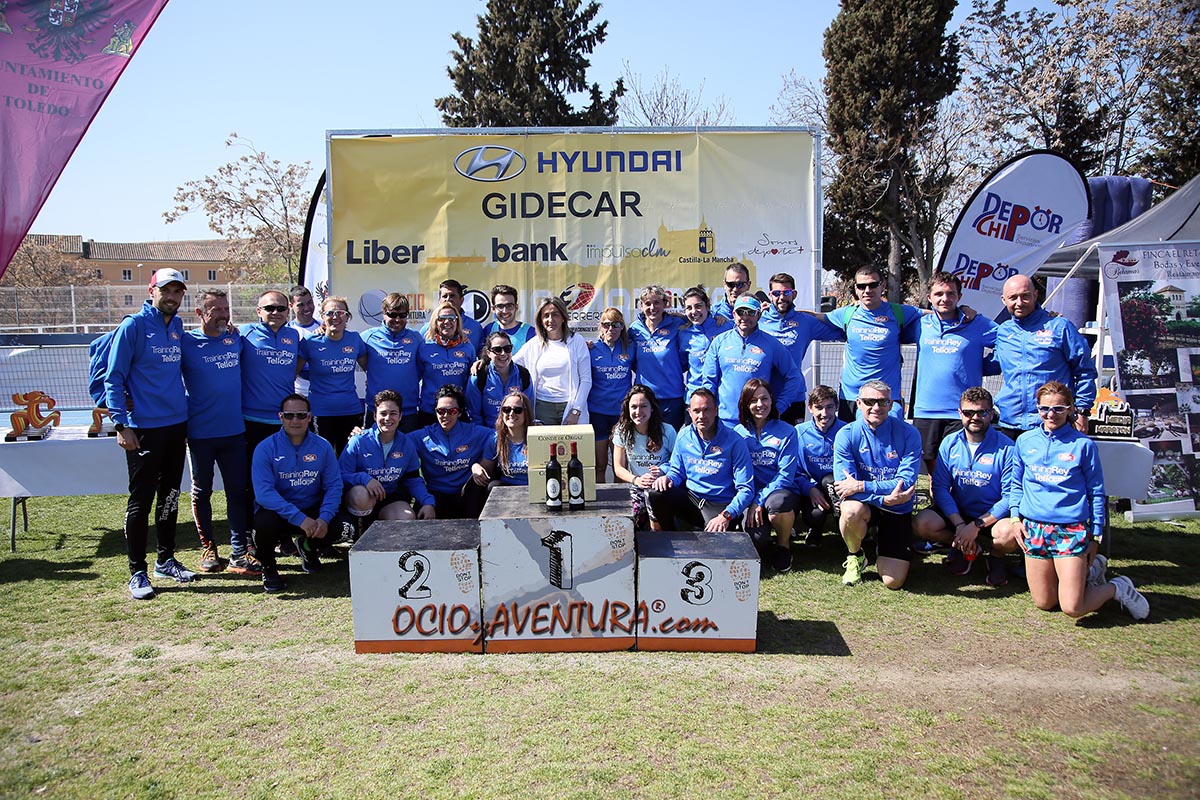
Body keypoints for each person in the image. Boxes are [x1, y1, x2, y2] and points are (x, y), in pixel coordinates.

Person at [1010, 381, 1148, 620]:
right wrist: (1014, 518)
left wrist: (1095, 536)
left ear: (1070, 409)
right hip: (1034, 529)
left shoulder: (1083, 445)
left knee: (1073, 608)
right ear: (1037, 408)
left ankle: (1117, 587)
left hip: (1070, 530)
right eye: (1044, 409)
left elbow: (1096, 492)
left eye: (1058, 409)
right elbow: (1015, 484)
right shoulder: (1024, 441)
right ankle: (1091, 573)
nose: (1050, 414)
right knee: (1045, 602)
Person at [105, 267, 195, 599]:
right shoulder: (134, 326)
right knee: (141, 501)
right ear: (151, 290)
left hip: (175, 426)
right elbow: (113, 378)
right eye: (166, 290)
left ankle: (166, 559)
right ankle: (137, 571)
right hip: (142, 429)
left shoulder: (178, 326)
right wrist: (120, 423)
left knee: (170, 496)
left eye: (177, 292)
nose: (171, 297)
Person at [181, 289, 256, 576]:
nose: (224, 315)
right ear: (200, 313)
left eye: (226, 309)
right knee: (202, 492)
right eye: (216, 310)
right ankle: (208, 547)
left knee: (238, 491)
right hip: (200, 433)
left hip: (234, 431)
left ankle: (239, 552)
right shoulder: (187, 343)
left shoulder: (234, 338)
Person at [913, 387, 1020, 586]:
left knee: (1009, 534)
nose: (975, 417)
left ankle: (995, 557)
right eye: (969, 413)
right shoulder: (949, 443)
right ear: (960, 413)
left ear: (991, 414)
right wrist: (961, 525)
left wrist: (977, 525)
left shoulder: (1008, 448)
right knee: (922, 523)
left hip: (992, 517)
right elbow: (940, 487)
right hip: (959, 514)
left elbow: (1010, 497)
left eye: (982, 412)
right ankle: (965, 546)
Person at [832, 380, 922, 589]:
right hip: (869, 505)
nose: (876, 408)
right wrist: (882, 498)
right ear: (859, 403)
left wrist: (863, 487)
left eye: (882, 402)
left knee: (893, 582)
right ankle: (855, 555)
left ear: (891, 405)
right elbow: (845, 486)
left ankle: (888, 544)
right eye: (869, 401)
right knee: (850, 509)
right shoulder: (846, 434)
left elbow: (905, 482)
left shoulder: (909, 433)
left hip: (898, 507)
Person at [251, 394, 342, 591]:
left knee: (344, 526)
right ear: (280, 417)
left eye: (301, 415)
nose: (295, 420)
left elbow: (334, 486)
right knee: (263, 522)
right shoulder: (265, 448)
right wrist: (299, 519)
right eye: (289, 415)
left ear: (309, 417)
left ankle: (308, 547)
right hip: (282, 513)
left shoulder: (323, 446)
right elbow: (264, 494)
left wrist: (324, 519)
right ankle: (269, 568)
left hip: (313, 510)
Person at [912, 272, 1000, 475]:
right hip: (926, 410)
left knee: (959, 465)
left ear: (959, 297)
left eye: (951, 294)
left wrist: (985, 366)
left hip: (962, 411)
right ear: (929, 298)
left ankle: (960, 505)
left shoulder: (976, 324)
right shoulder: (919, 325)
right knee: (931, 468)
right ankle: (939, 506)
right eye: (939, 294)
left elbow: (1009, 341)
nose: (945, 299)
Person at [994, 274, 1098, 438]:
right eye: (1013, 297)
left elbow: (1085, 371)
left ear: (1035, 294)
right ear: (1003, 300)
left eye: (1025, 296)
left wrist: (1082, 410)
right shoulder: (1002, 331)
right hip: (1010, 422)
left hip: (1051, 421)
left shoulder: (1060, 326)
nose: (1019, 303)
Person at [817, 265, 923, 422]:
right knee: (853, 444)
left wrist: (962, 310)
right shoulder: (846, 313)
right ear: (856, 289)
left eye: (873, 285)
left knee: (888, 445)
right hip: (852, 397)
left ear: (883, 286)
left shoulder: (899, 312)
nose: (867, 290)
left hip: (886, 398)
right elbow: (817, 317)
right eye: (862, 286)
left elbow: (937, 314)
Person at [651, 388, 754, 532]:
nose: (701, 416)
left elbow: (746, 489)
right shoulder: (684, 435)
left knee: (711, 541)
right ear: (689, 412)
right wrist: (668, 478)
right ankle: (670, 536)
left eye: (707, 410)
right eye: (697, 411)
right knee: (657, 493)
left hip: (720, 504)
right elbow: (676, 470)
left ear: (716, 410)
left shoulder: (735, 441)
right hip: (692, 498)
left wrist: (726, 515)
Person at [702, 295, 803, 428]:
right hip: (725, 422)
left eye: (750, 312)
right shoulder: (719, 342)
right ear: (734, 314)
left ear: (759, 315)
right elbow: (709, 381)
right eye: (740, 312)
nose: (744, 317)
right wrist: (710, 411)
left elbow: (794, 377)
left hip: (757, 422)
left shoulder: (771, 344)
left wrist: (778, 408)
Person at [340, 390, 436, 529]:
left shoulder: (407, 444)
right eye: (383, 413)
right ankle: (360, 533)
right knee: (360, 495)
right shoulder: (358, 441)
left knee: (406, 517)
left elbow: (413, 479)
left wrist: (428, 502)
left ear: (400, 416)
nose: (387, 418)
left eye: (393, 413)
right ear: (374, 415)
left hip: (389, 498)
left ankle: (384, 540)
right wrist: (364, 479)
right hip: (361, 498)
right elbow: (341, 476)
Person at [733, 379, 801, 573]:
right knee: (757, 541)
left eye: (764, 398)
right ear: (745, 404)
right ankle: (764, 536)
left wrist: (759, 500)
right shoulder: (738, 433)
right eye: (753, 400)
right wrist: (751, 501)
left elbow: (785, 476)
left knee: (779, 503)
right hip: (750, 496)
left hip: (779, 493)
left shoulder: (788, 432)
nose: (760, 404)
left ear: (772, 400)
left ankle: (783, 546)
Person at [758, 272, 841, 423]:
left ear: (794, 294)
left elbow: (842, 332)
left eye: (786, 292)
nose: (781, 297)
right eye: (776, 293)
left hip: (793, 397)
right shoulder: (758, 320)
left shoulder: (806, 322)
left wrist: (854, 313)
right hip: (762, 397)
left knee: (792, 443)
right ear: (770, 295)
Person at [297, 296, 367, 456]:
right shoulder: (310, 341)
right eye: (330, 313)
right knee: (322, 458)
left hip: (350, 410)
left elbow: (371, 369)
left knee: (348, 458)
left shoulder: (355, 339)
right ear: (322, 316)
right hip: (320, 412)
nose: (335, 317)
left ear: (347, 317)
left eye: (340, 312)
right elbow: (292, 372)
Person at [413, 384, 494, 519]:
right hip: (436, 496)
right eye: (441, 411)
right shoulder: (422, 436)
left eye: (452, 411)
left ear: (460, 412)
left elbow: (501, 436)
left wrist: (478, 464)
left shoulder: (475, 432)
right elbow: (397, 441)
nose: (446, 415)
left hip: (466, 495)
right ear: (435, 411)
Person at [513, 296, 592, 426]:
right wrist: (483, 361)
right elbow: (509, 362)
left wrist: (576, 410)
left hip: (571, 407)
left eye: (555, 315)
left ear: (563, 317)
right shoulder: (533, 344)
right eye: (546, 316)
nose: (551, 320)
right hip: (542, 408)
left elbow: (586, 380)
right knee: (544, 446)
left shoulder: (577, 341)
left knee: (571, 446)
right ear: (541, 320)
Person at [612, 385, 677, 530]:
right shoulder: (622, 431)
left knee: (653, 499)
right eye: (634, 407)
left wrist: (662, 471)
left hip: (660, 486)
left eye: (643, 406)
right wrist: (637, 480)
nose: (638, 412)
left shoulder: (668, 431)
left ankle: (658, 542)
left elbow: (678, 464)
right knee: (633, 516)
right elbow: (618, 468)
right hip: (636, 485)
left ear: (652, 408)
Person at [629, 284, 688, 429]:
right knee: (647, 445)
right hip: (644, 399)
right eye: (647, 304)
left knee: (670, 445)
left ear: (665, 304)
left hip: (672, 398)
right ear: (641, 306)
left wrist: (718, 319)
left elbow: (700, 322)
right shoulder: (634, 329)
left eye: (657, 303)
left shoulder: (678, 324)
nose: (652, 307)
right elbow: (629, 359)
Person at [794, 385, 846, 548]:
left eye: (829, 407)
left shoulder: (847, 430)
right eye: (818, 408)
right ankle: (815, 529)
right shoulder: (798, 432)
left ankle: (845, 529)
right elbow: (794, 471)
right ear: (810, 408)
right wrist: (809, 489)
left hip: (839, 486)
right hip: (812, 489)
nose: (824, 414)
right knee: (814, 516)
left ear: (836, 407)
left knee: (829, 480)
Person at [588, 307, 636, 480]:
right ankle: (602, 503)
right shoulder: (591, 349)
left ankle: (622, 504)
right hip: (598, 413)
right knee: (600, 465)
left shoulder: (630, 347)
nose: (611, 329)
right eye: (606, 324)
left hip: (621, 414)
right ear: (600, 326)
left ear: (622, 327)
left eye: (616, 324)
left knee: (620, 466)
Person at [363, 292, 422, 433]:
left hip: (408, 412)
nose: (397, 319)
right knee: (375, 454)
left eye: (402, 315)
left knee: (408, 454)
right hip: (378, 412)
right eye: (392, 315)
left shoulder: (417, 338)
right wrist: (323, 330)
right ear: (383, 313)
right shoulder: (367, 337)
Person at [416, 301, 474, 427]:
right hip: (429, 411)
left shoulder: (467, 347)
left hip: (457, 412)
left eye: (452, 318)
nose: (447, 322)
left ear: (457, 321)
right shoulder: (424, 347)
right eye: (442, 318)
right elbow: (414, 377)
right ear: (435, 323)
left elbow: (472, 378)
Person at [466, 331, 531, 429]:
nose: (503, 353)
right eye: (497, 350)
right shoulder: (478, 377)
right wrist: (487, 437)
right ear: (488, 353)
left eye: (507, 349)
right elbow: (474, 416)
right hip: (488, 435)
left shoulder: (523, 375)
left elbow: (529, 411)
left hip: (516, 434)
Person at [472, 388, 534, 489]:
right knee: (492, 486)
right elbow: (486, 471)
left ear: (526, 414)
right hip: (506, 491)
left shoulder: (538, 438)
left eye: (517, 410)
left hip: (534, 488)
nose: (511, 414)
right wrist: (475, 467)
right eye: (506, 409)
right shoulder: (495, 440)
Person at [679, 285, 732, 398]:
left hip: (721, 398)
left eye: (698, 306)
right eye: (689, 308)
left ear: (707, 306)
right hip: (694, 399)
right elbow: (682, 365)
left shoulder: (726, 327)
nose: (694, 312)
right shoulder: (684, 334)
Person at [420, 279, 485, 355]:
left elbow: (481, 356)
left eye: (452, 296)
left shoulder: (475, 327)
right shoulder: (427, 329)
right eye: (444, 296)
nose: (448, 299)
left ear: (461, 300)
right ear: (439, 300)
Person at [481, 284, 536, 353]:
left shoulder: (531, 333)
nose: (505, 311)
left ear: (516, 307)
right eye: (500, 306)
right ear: (493, 309)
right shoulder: (488, 330)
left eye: (509, 306)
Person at [288, 285, 321, 395]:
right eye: (300, 305)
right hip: (297, 393)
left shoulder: (324, 328)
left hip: (321, 392)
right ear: (291, 305)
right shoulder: (286, 331)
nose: (307, 308)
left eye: (309, 303)